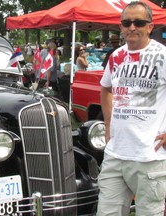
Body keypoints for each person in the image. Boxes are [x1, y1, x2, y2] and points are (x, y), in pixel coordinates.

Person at [97, 2, 166, 216]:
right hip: (115, 153)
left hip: (149, 155)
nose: (132, 27)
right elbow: (106, 89)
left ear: (150, 27)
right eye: (126, 23)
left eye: (139, 22)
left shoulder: (163, 56)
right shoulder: (116, 56)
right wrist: (108, 127)